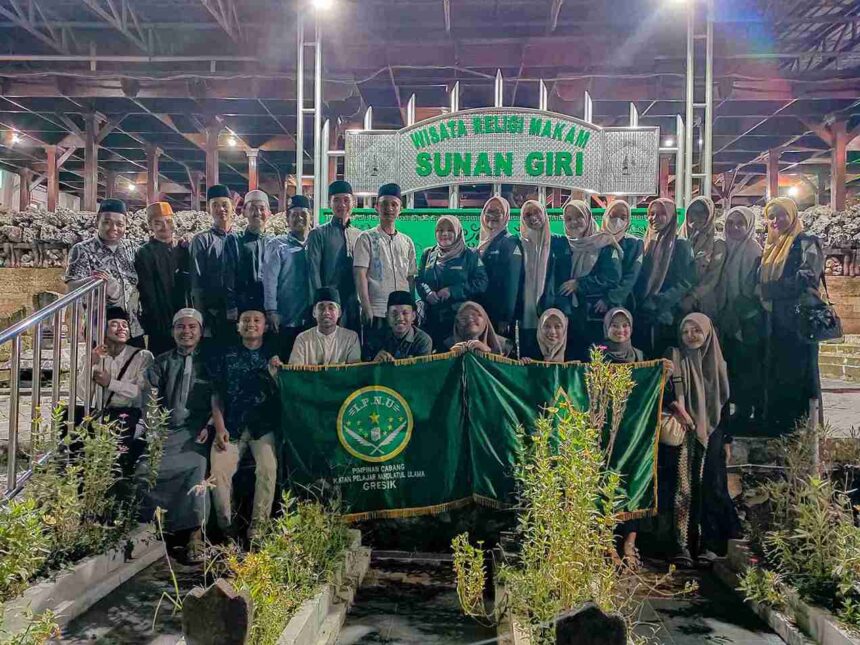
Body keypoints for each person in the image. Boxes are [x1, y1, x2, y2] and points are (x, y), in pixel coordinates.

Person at [665, 313, 740, 568]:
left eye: (696, 331)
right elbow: (662, 392)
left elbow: (725, 404)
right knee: (683, 488)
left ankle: (709, 544)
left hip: (713, 432)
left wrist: (727, 439)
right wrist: (679, 409)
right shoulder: (674, 358)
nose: (690, 336)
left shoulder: (719, 364)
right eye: (686, 331)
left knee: (711, 486)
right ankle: (682, 546)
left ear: (707, 332)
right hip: (684, 430)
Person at [140, 308, 211, 563]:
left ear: (200, 331)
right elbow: (149, 398)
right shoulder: (161, 362)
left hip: (197, 432)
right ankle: (153, 529)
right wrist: (153, 428)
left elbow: (220, 398)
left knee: (197, 467)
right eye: (181, 327)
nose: (186, 332)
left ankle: (195, 534)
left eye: (192, 327)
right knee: (145, 469)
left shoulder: (210, 362)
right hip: (166, 431)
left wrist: (210, 425)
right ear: (173, 331)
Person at [208, 309, 280, 540]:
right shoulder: (226, 356)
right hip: (231, 427)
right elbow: (216, 395)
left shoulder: (274, 356)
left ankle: (258, 528)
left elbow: (285, 394)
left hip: (263, 428)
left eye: (257, 320)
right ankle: (227, 528)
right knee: (219, 473)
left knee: (268, 469)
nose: (251, 324)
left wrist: (278, 373)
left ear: (265, 327)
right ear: (238, 327)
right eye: (246, 321)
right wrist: (219, 428)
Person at [759, 197, 825, 433]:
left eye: (781, 214)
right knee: (779, 373)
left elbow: (808, 275)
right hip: (775, 321)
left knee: (801, 374)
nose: (776, 220)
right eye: (772, 216)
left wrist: (770, 290)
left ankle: (805, 431)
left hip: (798, 322)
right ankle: (779, 427)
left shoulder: (807, 241)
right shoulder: (771, 246)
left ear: (793, 215)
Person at [77, 306, 154, 474]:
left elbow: (140, 394)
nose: (121, 328)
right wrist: (91, 363)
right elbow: (83, 394)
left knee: (116, 452)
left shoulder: (142, 357)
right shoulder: (94, 356)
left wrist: (110, 383)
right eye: (114, 324)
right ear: (101, 330)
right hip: (101, 414)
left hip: (130, 415)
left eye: (125, 325)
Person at [543, 199, 621, 360]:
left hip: (594, 315)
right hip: (569, 316)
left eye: (579, 216)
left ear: (588, 217)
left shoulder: (604, 242)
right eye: (569, 219)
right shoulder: (564, 245)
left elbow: (612, 277)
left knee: (595, 363)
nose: (574, 222)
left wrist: (579, 284)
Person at [599, 307, 645, 568]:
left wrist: (664, 372)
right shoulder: (598, 356)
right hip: (605, 431)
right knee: (605, 483)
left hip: (634, 431)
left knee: (634, 482)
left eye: (625, 325)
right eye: (615, 325)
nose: (620, 330)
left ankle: (629, 542)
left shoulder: (639, 356)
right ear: (606, 328)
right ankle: (607, 542)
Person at [65, 198, 144, 345]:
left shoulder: (133, 248)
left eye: (120, 224)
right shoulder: (82, 250)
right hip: (101, 330)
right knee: (103, 368)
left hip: (133, 328)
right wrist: (95, 283)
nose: (114, 228)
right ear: (97, 222)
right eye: (107, 222)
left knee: (134, 366)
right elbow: (72, 286)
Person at [715, 207, 763, 426]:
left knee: (748, 366)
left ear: (749, 226)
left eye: (740, 223)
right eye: (730, 223)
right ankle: (740, 410)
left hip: (747, 319)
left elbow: (752, 288)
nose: (734, 228)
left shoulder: (753, 250)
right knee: (734, 365)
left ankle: (750, 413)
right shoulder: (727, 248)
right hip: (729, 316)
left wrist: (738, 312)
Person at [633, 198, 695, 358]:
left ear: (672, 216)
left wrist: (657, 302)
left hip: (666, 315)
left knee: (664, 361)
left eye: (661, 214)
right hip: (641, 314)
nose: (654, 218)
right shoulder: (645, 242)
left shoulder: (681, 244)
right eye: (651, 214)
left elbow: (685, 282)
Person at [353, 183, 417, 331]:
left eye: (394, 204)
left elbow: (411, 278)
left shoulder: (407, 242)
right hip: (377, 310)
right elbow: (360, 274)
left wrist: (412, 308)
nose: (389, 208)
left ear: (400, 209)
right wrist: (366, 306)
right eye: (384, 204)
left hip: (403, 313)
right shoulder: (366, 238)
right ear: (377, 207)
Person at [417, 215, 488, 346]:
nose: (444, 234)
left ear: (458, 232)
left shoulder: (470, 255)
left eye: (450, 230)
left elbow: (481, 282)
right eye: (440, 230)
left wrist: (452, 291)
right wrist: (428, 293)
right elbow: (420, 279)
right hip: (432, 319)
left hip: (460, 320)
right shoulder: (428, 254)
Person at [134, 202, 191, 357]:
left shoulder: (183, 249)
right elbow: (147, 292)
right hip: (159, 322)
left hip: (184, 319)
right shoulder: (145, 253)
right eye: (158, 223)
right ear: (150, 226)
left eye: (168, 221)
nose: (165, 226)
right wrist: (161, 323)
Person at [306, 181, 363, 329]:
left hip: (353, 304)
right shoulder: (318, 234)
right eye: (336, 200)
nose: (342, 205)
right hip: (328, 304)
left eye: (346, 200)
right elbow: (313, 273)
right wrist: (318, 304)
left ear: (353, 203)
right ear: (330, 203)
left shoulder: (360, 235)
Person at [264, 195, 312, 358]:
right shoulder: (277, 245)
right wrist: (271, 310)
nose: (299, 218)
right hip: (285, 317)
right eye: (294, 214)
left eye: (303, 214)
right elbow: (269, 281)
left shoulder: (315, 243)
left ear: (310, 216)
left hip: (310, 318)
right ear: (287, 218)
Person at [190, 184, 240, 341]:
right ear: (209, 210)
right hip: (212, 314)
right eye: (215, 205)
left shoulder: (239, 239)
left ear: (232, 207)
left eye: (225, 204)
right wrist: (201, 319)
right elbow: (196, 283)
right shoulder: (201, 240)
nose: (221, 209)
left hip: (238, 313)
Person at [475, 196, 523, 337]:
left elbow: (512, 283)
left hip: (498, 318)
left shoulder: (510, 242)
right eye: (489, 211)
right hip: (481, 313)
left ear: (506, 215)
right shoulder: (483, 242)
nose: (492, 216)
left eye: (498, 212)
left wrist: (505, 317)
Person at [287, 287, 362, 366]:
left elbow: (354, 372)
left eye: (331, 308)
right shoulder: (302, 339)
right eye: (321, 307)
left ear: (339, 312)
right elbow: (295, 373)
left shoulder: (351, 338)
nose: (326, 312)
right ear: (314, 312)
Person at [679, 196, 726, 319]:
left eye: (703, 212)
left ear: (710, 216)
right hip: (677, 302)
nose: (697, 216)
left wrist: (693, 297)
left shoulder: (717, 244)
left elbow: (712, 277)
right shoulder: (677, 240)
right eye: (693, 211)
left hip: (703, 304)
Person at [226, 189, 271, 316]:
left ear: (269, 213)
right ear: (244, 212)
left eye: (262, 209)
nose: (258, 213)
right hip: (242, 304)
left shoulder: (273, 242)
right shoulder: (234, 240)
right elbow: (228, 275)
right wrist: (231, 305)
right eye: (252, 208)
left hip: (266, 305)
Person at [598, 200, 643, 313]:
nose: (617, 220)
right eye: (613, 216)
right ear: (606, 217)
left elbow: (632, 276)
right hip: (595, 303)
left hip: (624, 303)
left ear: (628, 221)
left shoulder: (635, 243)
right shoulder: (597, 241)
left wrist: (610, 299)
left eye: (623, 217)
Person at [362, 291, 433, 361]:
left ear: (413, 316)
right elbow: (365, 369)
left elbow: (422, 371)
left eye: (405, 313)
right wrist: (374, 363)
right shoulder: (376, 339)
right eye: (394, 314)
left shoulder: (422, 341)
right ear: (387, 316)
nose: (400, 318)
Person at [519, 200, 551, 338]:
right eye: (527, 215)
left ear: (544, 213)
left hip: (551, 312)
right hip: (526, 313)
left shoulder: (558, 243)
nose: (533, 217)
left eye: (537, 212)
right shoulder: (519, 245)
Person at [442, 301, 512, 357]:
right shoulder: (447, 348)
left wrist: (488, 352)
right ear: (457, 324)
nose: (470, 319)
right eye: (464, 317)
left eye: (476, 314)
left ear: (485, 319)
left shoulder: (505, 347)